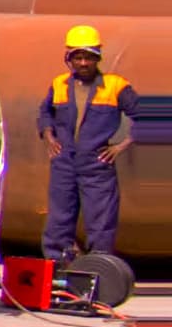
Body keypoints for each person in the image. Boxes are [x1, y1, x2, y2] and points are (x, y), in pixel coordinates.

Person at [38, 25, 135, 264]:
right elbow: (44, 112)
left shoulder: (115, 86)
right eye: (77, 57)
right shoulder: (59, 84)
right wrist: (49, 136)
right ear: (69, 58)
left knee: (100, 222)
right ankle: (56, 267)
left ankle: (97, 268)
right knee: (59, 220)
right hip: (64, 163)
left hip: (97, 165)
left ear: (98, 57)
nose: (83, 63)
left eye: (89, 57)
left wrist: (121, 146)